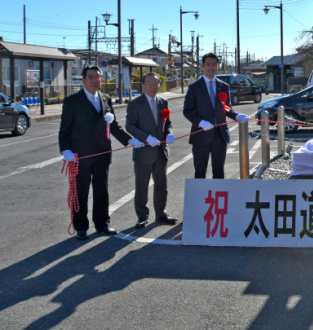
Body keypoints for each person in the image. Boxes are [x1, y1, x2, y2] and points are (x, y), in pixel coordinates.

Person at [59, 66, 139, 240]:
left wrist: (129, 140)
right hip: (81, 156)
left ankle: (102, 223)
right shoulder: (72, 101)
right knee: (80, 191)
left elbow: (114, 126)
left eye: (98, 76)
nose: (95, 80)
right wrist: (66, 150)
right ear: (83, 80)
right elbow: (64, 130)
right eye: (91, 77)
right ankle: (80, 226)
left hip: (103, 153)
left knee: (102, 190)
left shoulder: (105, 98)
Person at [183, 53, 249, 179]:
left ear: (218, 66)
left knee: (219, 172)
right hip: (200, 134)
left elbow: (227, 107)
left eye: (214, 64)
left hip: (220, 135)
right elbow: (187, 111)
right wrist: (200, 122)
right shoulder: (194, 87)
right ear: (203, 66)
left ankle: (218, 198)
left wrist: (237, 116)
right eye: (208, 64)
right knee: (200, 171)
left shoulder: (223, 86)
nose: (211, 67)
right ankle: (201, 198)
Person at [126, 73, 178, 228]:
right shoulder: (135, 103)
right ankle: (142, 216)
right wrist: (146, 137)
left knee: (161, 184)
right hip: (144, 152)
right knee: (142, 185)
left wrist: (169, 133)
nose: (153, 86)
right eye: (149, 83)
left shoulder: (163, 102)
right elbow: (130, 126)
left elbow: (167, 122)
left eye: (155, 83)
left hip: (161, 150)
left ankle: (161, 213)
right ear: (142, 85)